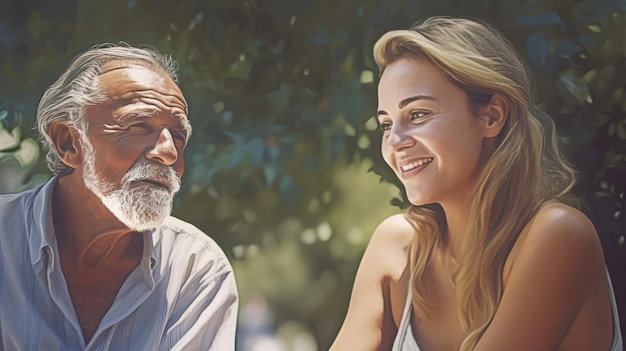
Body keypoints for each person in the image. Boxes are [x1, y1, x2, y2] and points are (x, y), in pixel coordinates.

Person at [330, 17, 622, 351]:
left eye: (418, 114)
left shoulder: (559, 234)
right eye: (385, 124)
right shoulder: (397, 248)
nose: (394, 141)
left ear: (491, 116)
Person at [0, 43, 238, 350]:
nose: (169, 153)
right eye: (140, 125)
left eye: (178, 136)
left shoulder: (196, 268)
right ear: (70, 142)